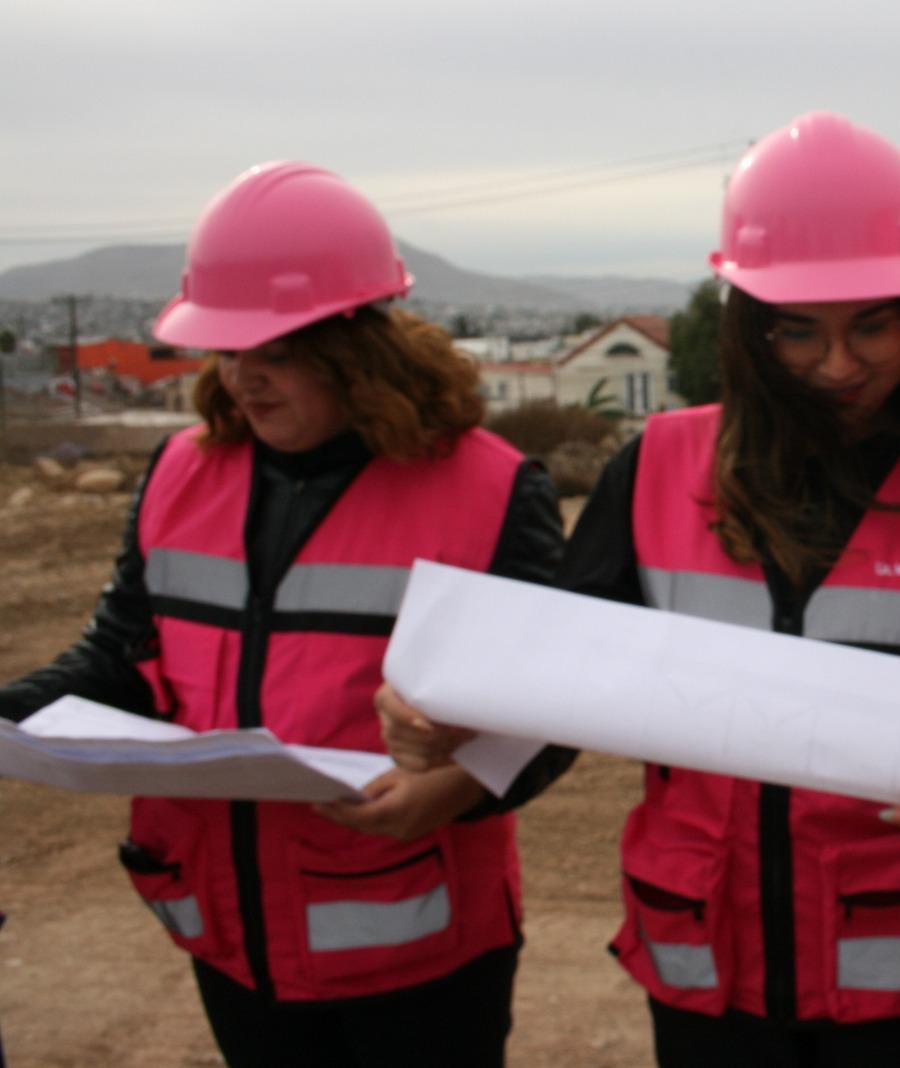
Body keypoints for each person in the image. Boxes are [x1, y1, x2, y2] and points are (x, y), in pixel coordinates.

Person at [379, 110, 900, 1067]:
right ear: (749, 327)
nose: (839, 364)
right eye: (800, 333)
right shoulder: (655, 468)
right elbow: (559, 686)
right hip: (708, 970)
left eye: (873, 325)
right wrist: (455, 740)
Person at [0, 161, 573, 1068]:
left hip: (415, 948)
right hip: (232, 934)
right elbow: (122, 655)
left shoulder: (493, 489)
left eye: (278, 355)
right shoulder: (181, 473)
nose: (243, 383)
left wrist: (456, 789)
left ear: (360, 347)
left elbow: (554, 707)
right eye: (229, 352)